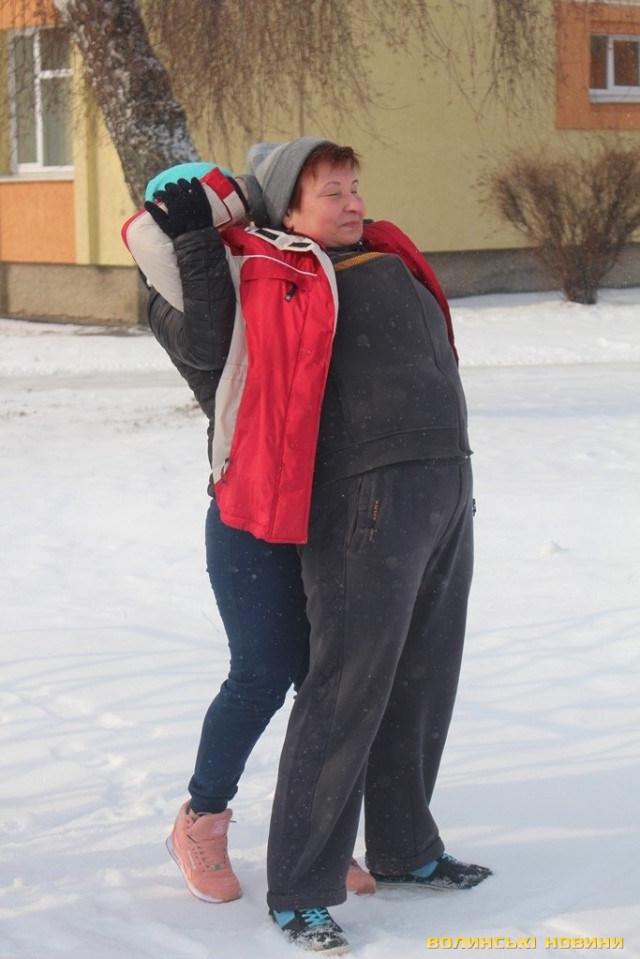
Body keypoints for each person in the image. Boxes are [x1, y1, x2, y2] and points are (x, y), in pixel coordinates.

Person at [205, 137, 491, 955]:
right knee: (345, 687)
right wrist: (212, 215)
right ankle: (300, 889)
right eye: (331, 192)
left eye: (354, 187)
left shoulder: (385, 256)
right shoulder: (279, 274)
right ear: (287, 210)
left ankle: (405, 847)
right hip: (363, 499)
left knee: (423, 678)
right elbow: (190, 289)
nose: (353, 202)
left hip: (444, 485)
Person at [121, 161, 375, 906]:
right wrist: (194, 244)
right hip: (247, 511)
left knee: (323, 677)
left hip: (323, 507)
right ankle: (200, 819)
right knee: (263, 670)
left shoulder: (280, 267)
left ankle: (317, 836)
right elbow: (211, 343)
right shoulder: (174, 297)